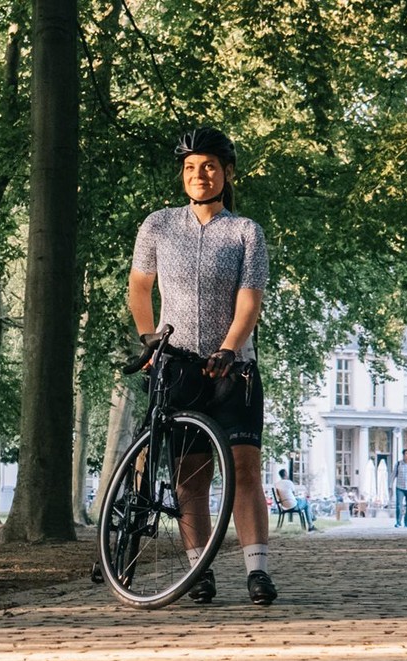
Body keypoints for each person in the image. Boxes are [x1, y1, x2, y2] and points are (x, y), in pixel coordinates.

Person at [127, 126, 275, 606]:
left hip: (233, 366)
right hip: (178, 365)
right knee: (191, 473)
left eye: (208, 166)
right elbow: (139, 287)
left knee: (244, 466)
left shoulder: (245, 231)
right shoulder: (158, 225)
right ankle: (199, 571)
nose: (199, 175)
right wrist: (150, 341)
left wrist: (230, 347)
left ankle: (257, 570)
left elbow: (249, 301)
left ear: (226, 173)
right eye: (190, 168)